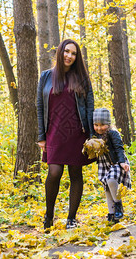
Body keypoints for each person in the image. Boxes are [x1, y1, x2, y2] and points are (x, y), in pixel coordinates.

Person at [37, 39, 94, 230]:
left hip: (77, 132)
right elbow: (39, 107)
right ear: (60, 53)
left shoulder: (82, 78)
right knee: (54, 172)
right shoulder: (46, 77)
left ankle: (71, 218)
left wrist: (92, 135)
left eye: (74, 53)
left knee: (75, 172)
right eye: (67, 52)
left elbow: (90, 106)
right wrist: (41, 136)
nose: (69, 56)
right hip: (53, 131)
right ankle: (49, 215)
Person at [91, 108, 131, 223]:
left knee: (111, 180)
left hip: (116, 162)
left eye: (102, 125)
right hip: (104, 165)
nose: (99, 128)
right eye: (96, 125)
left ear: (108, 124)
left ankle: (118, 204)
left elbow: (119, 148)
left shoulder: (113, 133)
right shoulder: (95, 135)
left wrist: (122, 162)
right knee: (107, 187)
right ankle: (112, 214)